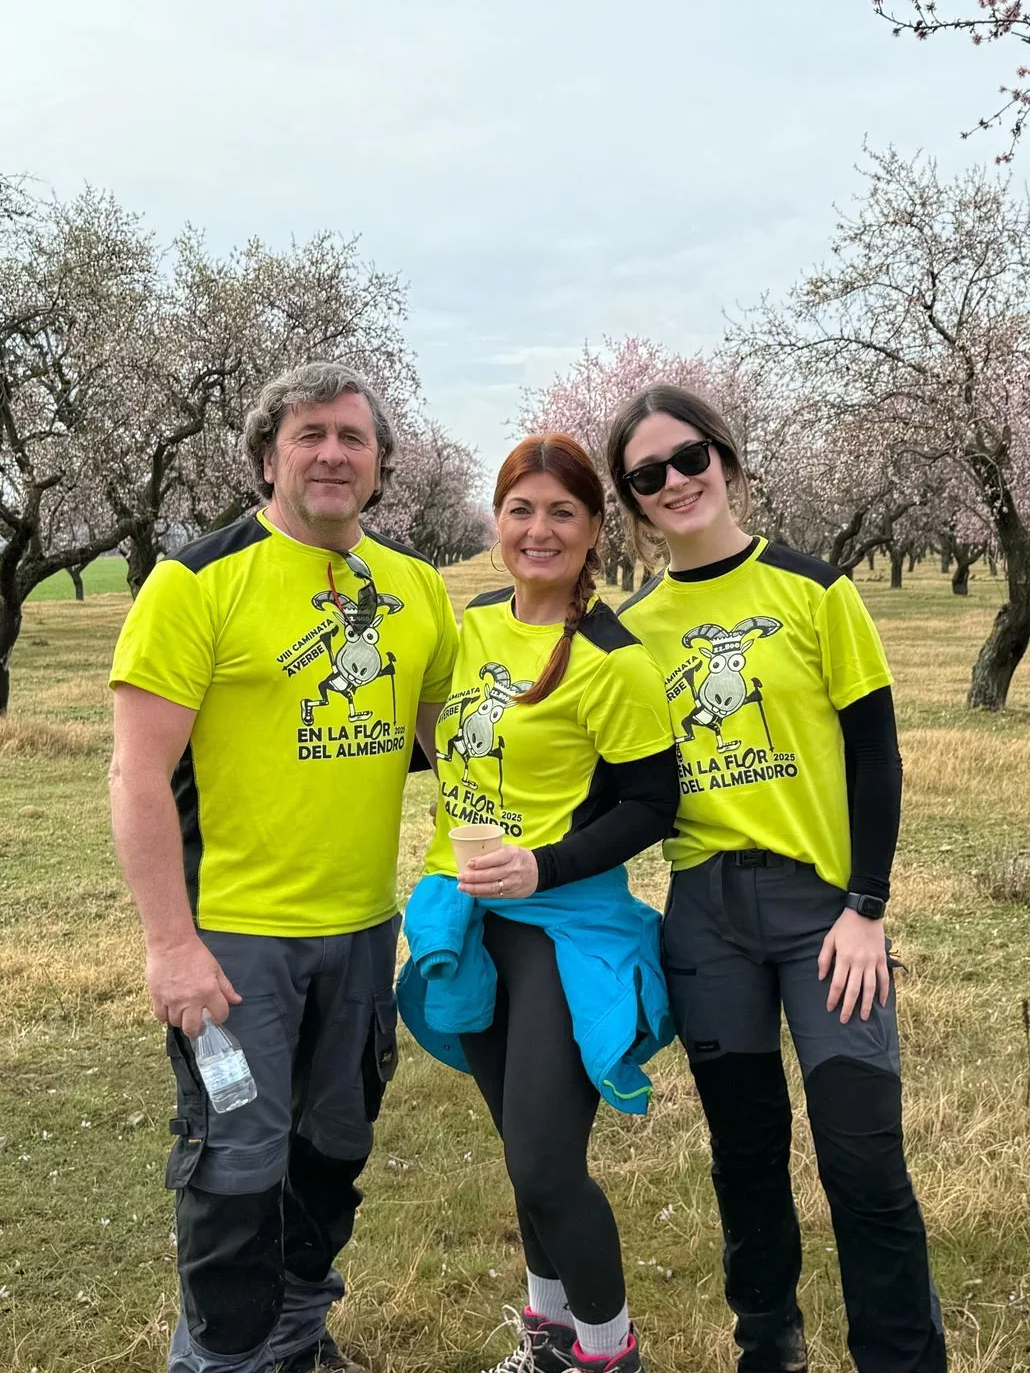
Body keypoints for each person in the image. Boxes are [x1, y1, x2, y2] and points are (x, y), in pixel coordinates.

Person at [108, 362, 460, 1373]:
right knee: (232, 1172)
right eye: (309, 434)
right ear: (268, 456)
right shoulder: (198, 582)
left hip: (362, 931)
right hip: (233, 943)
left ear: (382, 465)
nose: (332, 454)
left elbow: (458, 748)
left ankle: (298, 1344)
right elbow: (136, 776)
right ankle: (221, 1362)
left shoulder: (414, 590)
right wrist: (170, 946)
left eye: (353, 437)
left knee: (331, 1157)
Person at [607, 386, 947, 1373]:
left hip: (822, 918)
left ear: (725, 458)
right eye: (646, 474)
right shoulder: (630, 633)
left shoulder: (814, 590)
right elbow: (616, 782)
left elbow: (874, 758)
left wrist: (865, 908)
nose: (674, 481)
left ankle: (899, 1356)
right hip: (706, 923)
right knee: (745, 1160)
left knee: (861, 1159)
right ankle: (769, 1344)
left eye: (689, 457)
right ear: (630, 499)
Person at [396, 434, 678, 1373]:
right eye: (522, 509)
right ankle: (550, 1336)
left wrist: (543, 867)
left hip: (563, 928)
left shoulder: (612, 658)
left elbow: (651, 803)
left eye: (563, 511)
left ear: (596, 529)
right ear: (497, 519)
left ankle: (610, 1353)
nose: (539, 529)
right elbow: (437, 737)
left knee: (548, 1164)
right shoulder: (472, 623)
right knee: (521, 1147)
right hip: (468, 919)